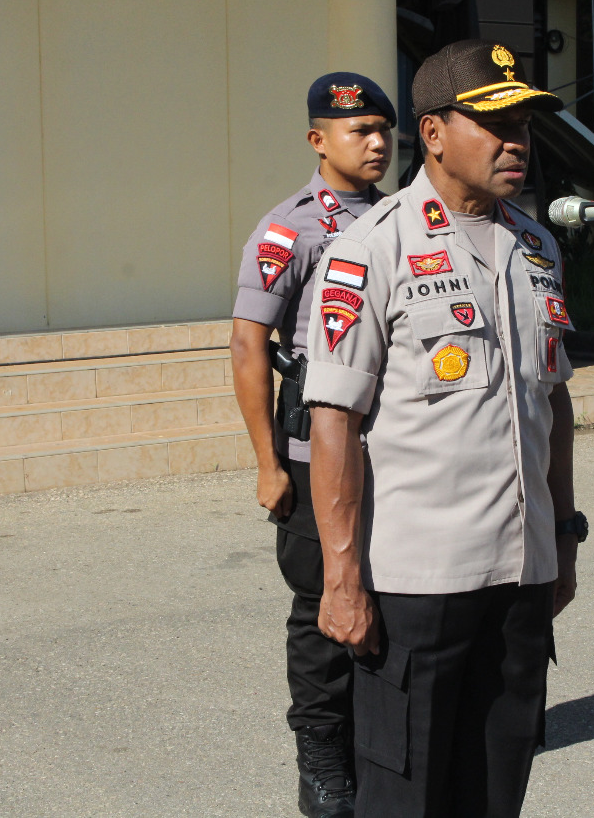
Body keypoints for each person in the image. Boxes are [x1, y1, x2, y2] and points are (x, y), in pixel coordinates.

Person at [303, 40, 589, 818]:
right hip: (417, 587)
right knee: (404, 799)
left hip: (520, 580)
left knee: (497, 795)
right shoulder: (371, 249)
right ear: (432, 134)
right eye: (495, 123)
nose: (516, 143)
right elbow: (334, 421)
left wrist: (562, 534)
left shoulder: (538, 248)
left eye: (524, 125)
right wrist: (340, 578)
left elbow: (551, 402)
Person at [230, 71, 395, 818]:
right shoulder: (288, 229)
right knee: (319, 611)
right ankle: (322, 759)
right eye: (359, 130)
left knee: (386, 596)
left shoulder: (402, 218)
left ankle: (379, 744)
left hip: (387, 446)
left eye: (383, 128)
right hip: (310, 449)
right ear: (317, 139)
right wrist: (267, 463)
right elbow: (248, 345)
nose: (377, 142)